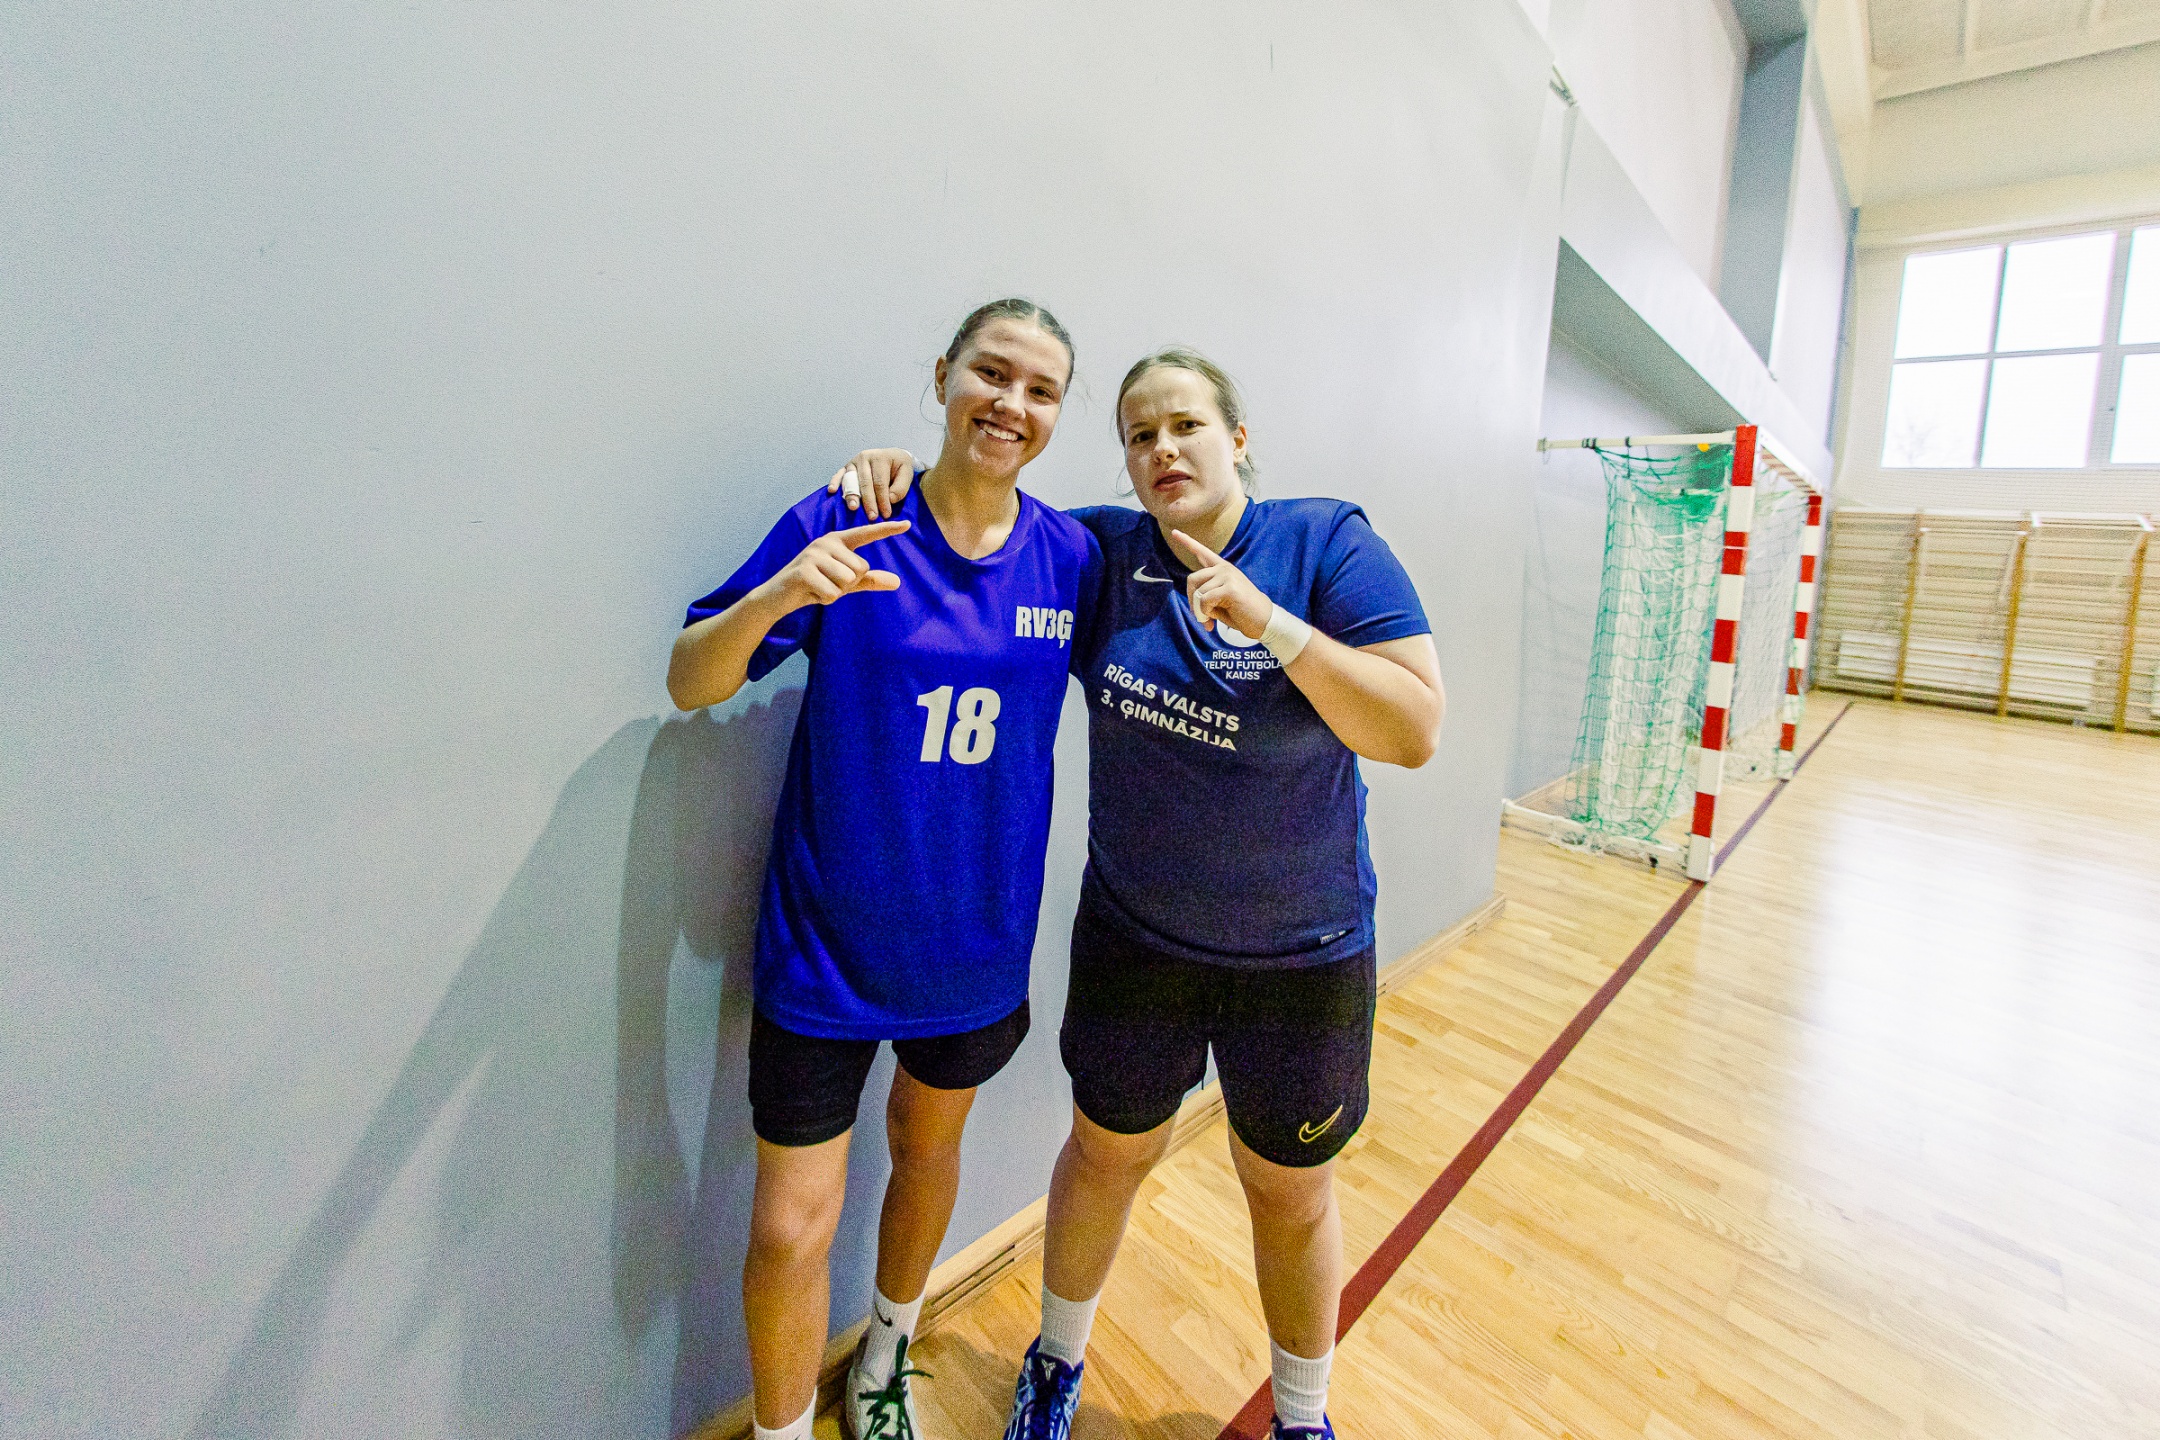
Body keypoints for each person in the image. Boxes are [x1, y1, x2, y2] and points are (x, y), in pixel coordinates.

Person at [830, 346, 1445, 1440]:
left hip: (1303, 954)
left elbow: (1411, 729)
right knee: (1106, 1156)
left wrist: (1273, 626)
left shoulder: (1324, 542)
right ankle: (1056, 1362)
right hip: (1137, 941)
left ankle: (1302, 1417)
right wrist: (896, 474)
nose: (1163, 449)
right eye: (1139, 435)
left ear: (1238, 438)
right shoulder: (1105, 556)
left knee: (1288, 1190)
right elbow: (981, 530)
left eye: (1185, 426)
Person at [670, 298, 1100, 1440]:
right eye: (992, 373)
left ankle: (885, 1357)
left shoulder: (1072, 557)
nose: (1011, 403)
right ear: (944, 374)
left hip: (974, 947)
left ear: (1059, 412)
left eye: (1042, 389)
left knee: (927, 1152)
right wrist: (783, 592)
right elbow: (690, 679)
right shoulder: (852, 519)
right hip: (825, 949)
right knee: (787, 1228)